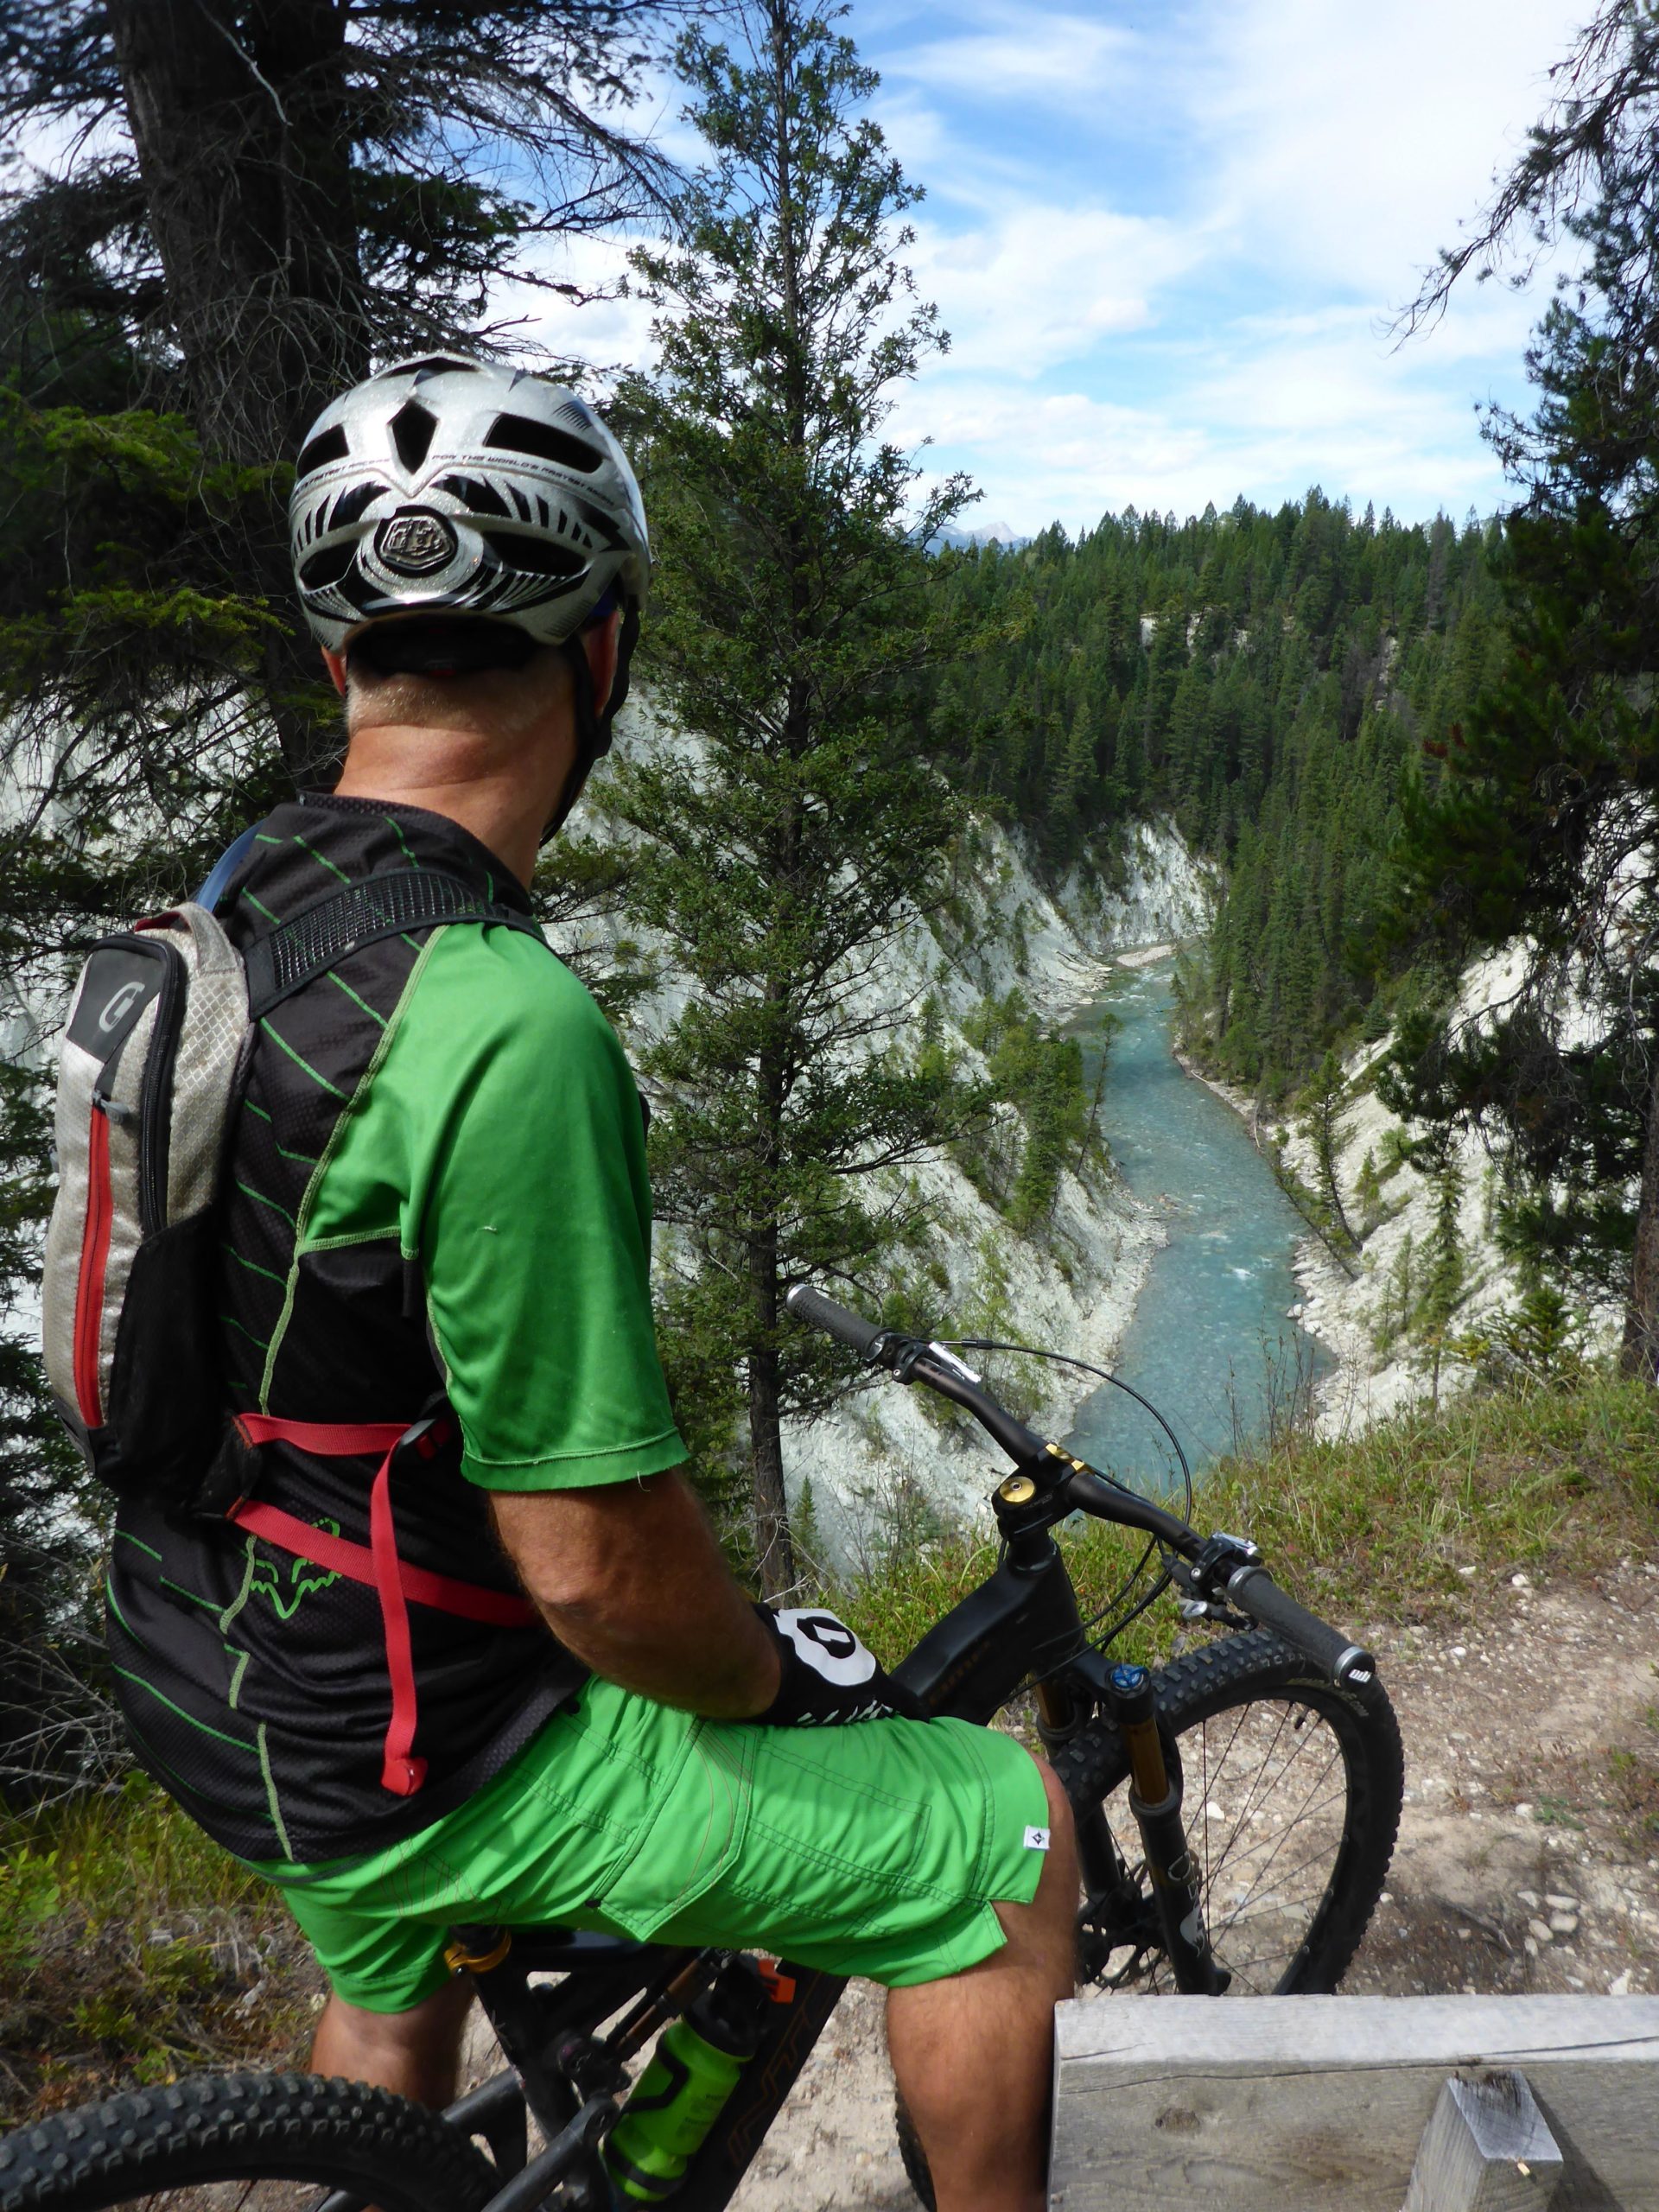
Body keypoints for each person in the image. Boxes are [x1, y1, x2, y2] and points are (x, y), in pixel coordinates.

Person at [105, 356, 1075, 2212]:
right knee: (1002, 1838)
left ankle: (378, 2168)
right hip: (414, 1748)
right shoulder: (500, 1020)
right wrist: (777, 1690)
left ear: (341, 665)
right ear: (602, 656)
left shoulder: (227, 912)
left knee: (386, 1977)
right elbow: (602, 1574)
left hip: (217, 1672)